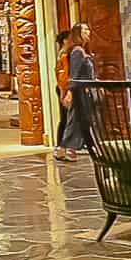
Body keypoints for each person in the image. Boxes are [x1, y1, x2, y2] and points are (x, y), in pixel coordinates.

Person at [54, 21, 94, 161]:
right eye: (84, 30)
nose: (88, 32)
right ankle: (67, 148)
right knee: (75, 119)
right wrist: (70, 92)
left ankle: (67, 148)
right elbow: (74, 73)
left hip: (84, 91)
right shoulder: (77, 51)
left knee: (82, 119)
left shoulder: (82, 50)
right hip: (79, 91)